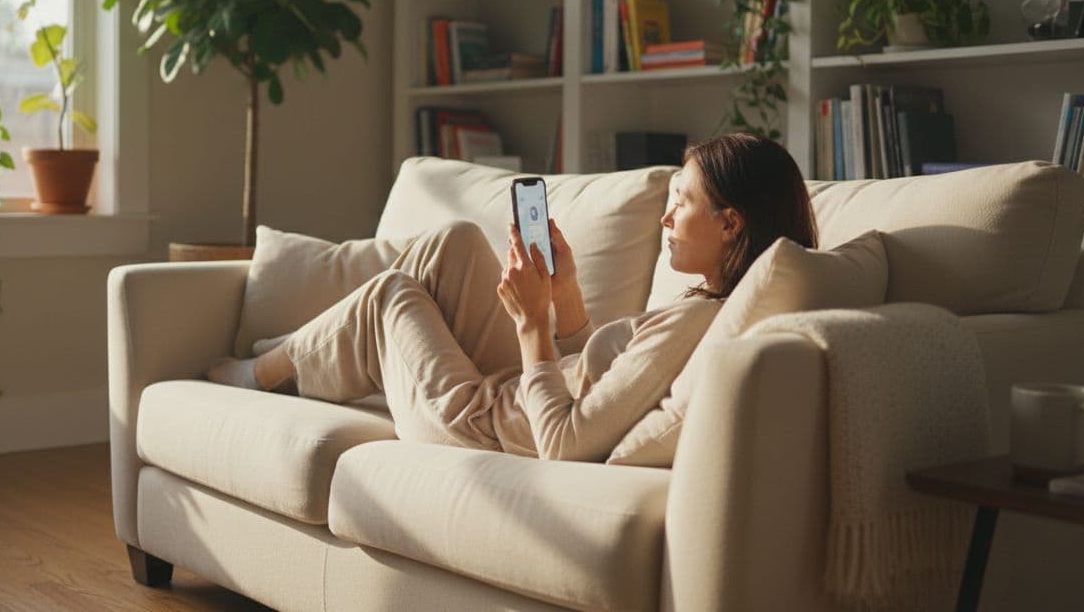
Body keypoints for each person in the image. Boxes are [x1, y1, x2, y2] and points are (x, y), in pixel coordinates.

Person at [208, 133, 817, 462]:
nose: (665, 216)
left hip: (479, 421)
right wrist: (565, 296)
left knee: (392, 292)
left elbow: (564, 440)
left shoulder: (693, 328)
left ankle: (262, 372)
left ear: (732, 223)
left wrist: (532, 324)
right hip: (516, 392)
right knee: (455, 244)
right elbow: (595, 375)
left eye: (681, 201)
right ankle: (298, 351)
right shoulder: (710, 302)